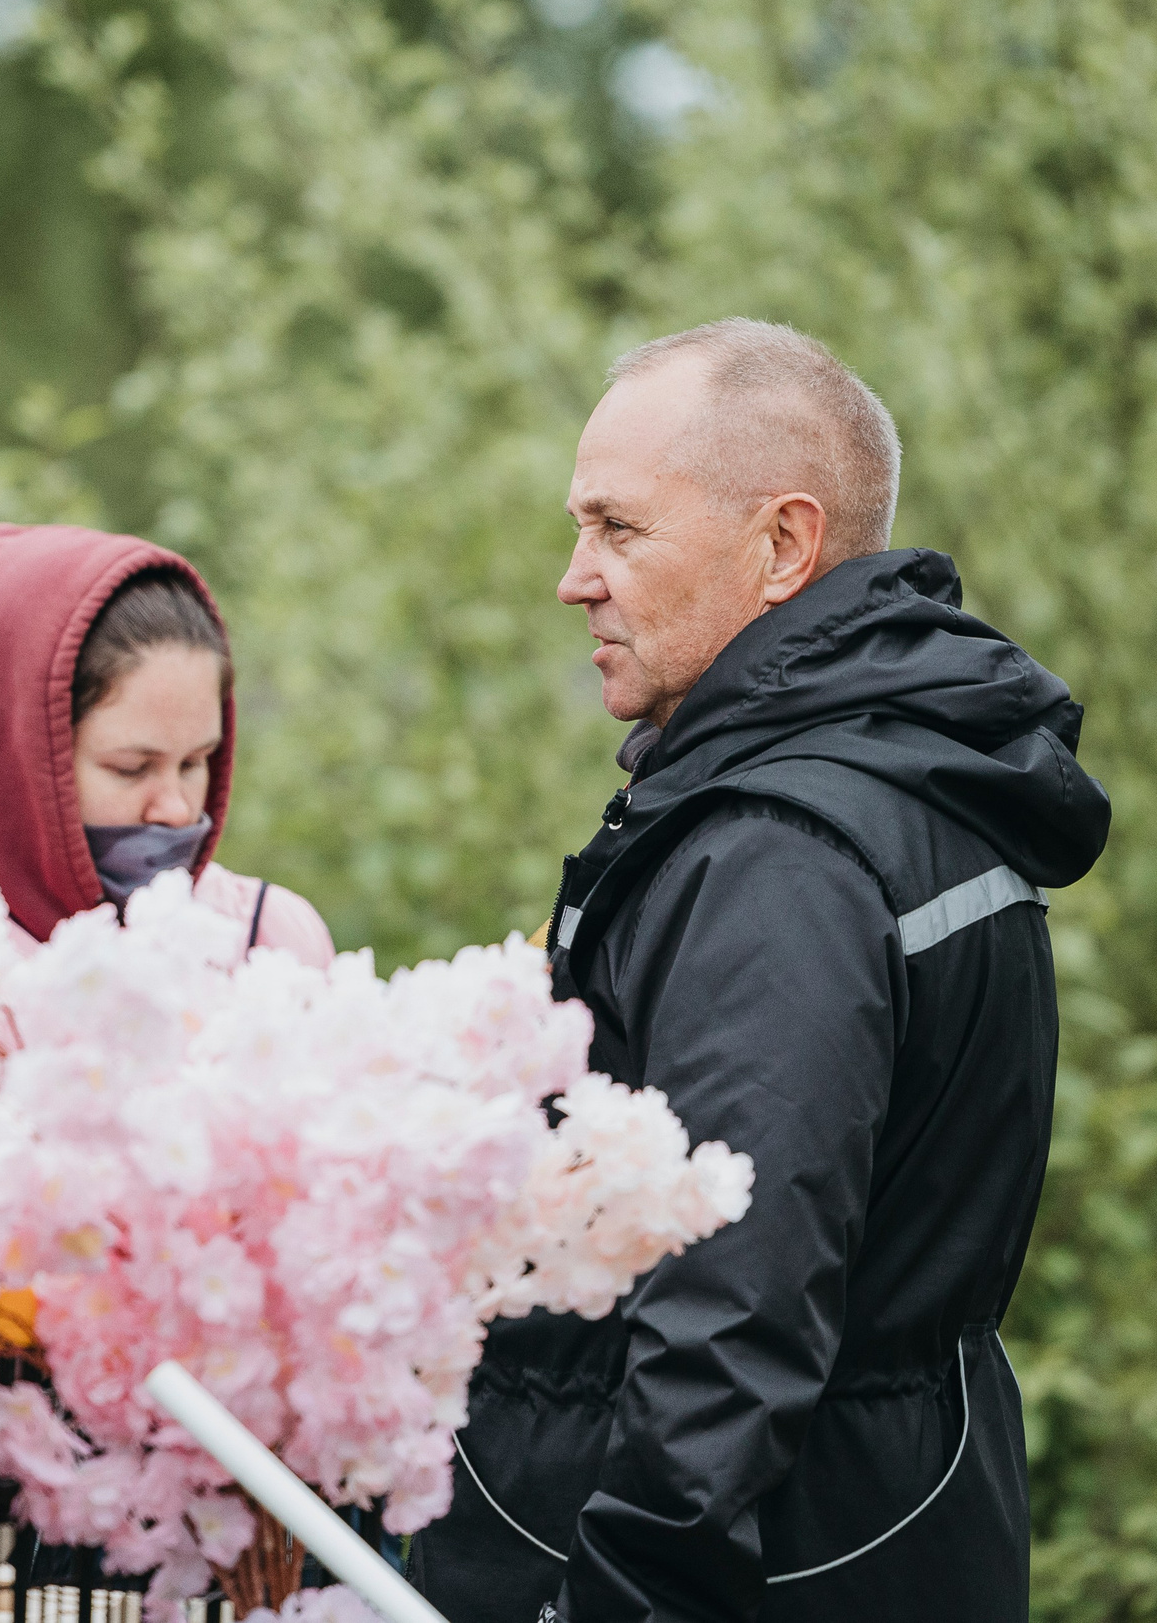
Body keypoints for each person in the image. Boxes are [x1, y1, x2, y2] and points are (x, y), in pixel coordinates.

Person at [414, 321, 1111, 1623]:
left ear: (783, 544)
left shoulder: (781, 857)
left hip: (775, 1568)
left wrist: (614, 1602)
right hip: (893, 1528)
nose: (576, 577)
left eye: (620, 529)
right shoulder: (912, 775)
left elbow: (732, 1314)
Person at [0, 521, 336, 1203]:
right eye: (131, 767)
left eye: (197, 763)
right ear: (16, 751)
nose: (174, 807)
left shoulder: (270, 940)